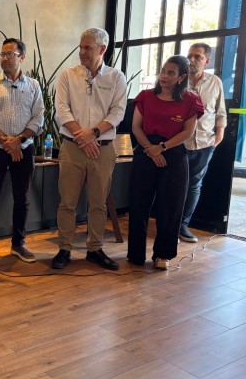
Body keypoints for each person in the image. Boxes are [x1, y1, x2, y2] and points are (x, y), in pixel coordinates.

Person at [52, 27, 127, 271]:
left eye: (87, 48)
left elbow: (118, 112)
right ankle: (64, 248)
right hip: (72, 146)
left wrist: (92, 134)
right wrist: (82, 136)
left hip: (102, 149)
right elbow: (62, 110)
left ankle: (95, 249)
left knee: (98, 203)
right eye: (81, 47)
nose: (82, 52)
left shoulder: (116, 77)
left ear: (102, 49)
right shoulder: (67, 75)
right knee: (67, 202)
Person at [127, 55, 204, 269]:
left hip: (173, 153)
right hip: (145, 150)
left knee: (170, 206)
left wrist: (161, 148)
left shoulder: (190, 100)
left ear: (181, 77)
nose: (164, 76)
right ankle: (135, 254)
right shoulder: (145, 96)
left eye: (171, 73)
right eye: (163, 71)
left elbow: (188, 132)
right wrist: (151, 150)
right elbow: (136, 127)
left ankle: (163, 254)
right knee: (139, 203)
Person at [0, 38, 44, 263]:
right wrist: (8, 142)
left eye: (10, 54)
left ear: (21, 57)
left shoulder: (33, 86)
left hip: (24, 149)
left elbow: (39, 117)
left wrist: (19, 140)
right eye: (2, 54)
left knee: (22, 198)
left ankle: (18, 244)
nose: (4, 58)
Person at [179, 43, 227, 243]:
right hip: (179, 144)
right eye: (190, 55)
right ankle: (169, 223)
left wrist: (219, 135)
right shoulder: (179, 80)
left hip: (205, 144)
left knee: (194, 185)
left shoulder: (215, 82)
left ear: (206, 61)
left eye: (197, 57)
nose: (192, 60)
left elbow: (220, 112)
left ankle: (183, 225)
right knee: (174, 184)